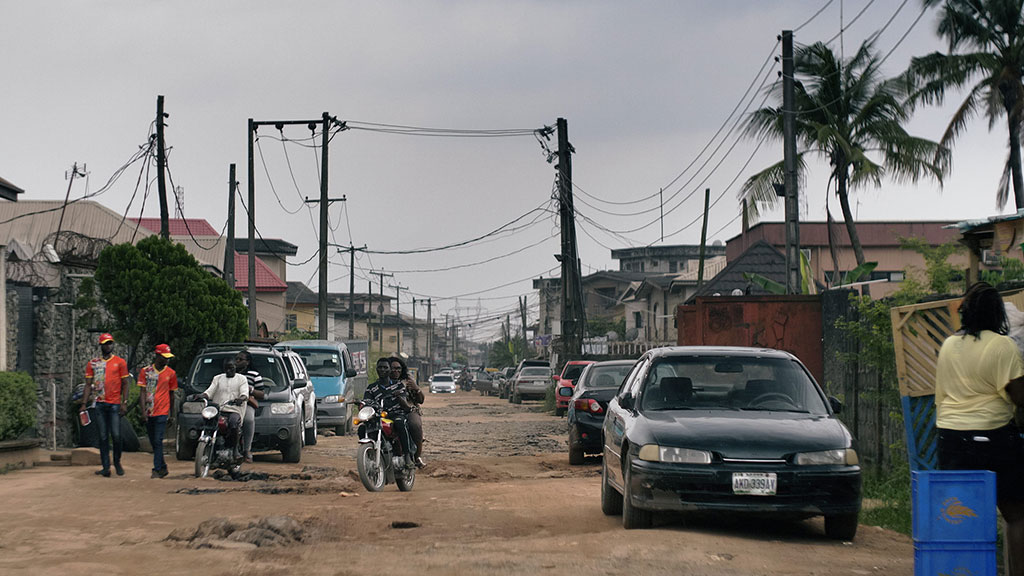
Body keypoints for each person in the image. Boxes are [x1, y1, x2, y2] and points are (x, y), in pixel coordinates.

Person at [936, 281, 1024, 576]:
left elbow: (942, 396)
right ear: (998, 314)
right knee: (1016, 513)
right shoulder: (1003, 345)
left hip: (951, 439)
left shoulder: (949, 345)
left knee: (957, 514)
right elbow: (1018, 395)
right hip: (993, 437)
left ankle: (958, 570)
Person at [81, 333, 132, 477]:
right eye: (105, 343)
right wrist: (84, 403)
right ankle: (105, 466)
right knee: (103, 436)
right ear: (101, 345)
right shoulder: (93, 364)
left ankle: (117, 461)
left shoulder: (120, 362)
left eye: (110, 343)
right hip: (99, 404)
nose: (108, 346)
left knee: (116, 435)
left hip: (114, 403)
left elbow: (125, 383)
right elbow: (88, 384)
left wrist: (124, 402)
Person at [364, 357, 415, 466]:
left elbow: (405, 404)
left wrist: (399, 397)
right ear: (376, 369)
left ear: (389, 370)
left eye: (385, 368)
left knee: (400, 423)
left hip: (396, 414)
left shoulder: (399, 385)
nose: (382, 370)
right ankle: (368, 454)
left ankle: (407, 455)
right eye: (380, 367)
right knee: (362, 428)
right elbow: (366, 401)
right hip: (379, 416)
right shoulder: (371, 388)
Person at [193, 358, 248, 459]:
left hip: (233, 410)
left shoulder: (242, 379)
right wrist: (201, 395)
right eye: (226, 369)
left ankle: (235, 450)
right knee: (200, 423)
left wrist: (240, 399)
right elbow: (210, 391)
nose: (228, 371)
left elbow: (245, 394)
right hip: (217, 411)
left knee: (233, 424)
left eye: (231, 368)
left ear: (235, 367)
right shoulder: (217, 378)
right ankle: (202, 448)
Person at [138, 343, 178, 479]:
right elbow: (142, 392)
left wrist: (171, 414)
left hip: (162, 411)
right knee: (153, 441)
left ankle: (156, 469)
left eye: (168, 358)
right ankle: (163, 467)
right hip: (150, 411)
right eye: (164, 357)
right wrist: (143, 411)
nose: (167, 360)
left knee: (158, 439)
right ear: (157, 355)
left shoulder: (171, 373)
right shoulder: (145, 372)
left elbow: (172, 395)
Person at [389, 356, 425, 467]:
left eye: (398, 368)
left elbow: (421, 400)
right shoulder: (383, 381)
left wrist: (416, 388)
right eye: (393, 368)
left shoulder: (407, 381)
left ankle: (416, 456)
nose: (396, 371)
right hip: (388, 410)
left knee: (414, 425)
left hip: (408, 409)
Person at [234, 350, 265, 463]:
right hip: (230, 404)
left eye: (240, 359)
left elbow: (262, 394)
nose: (237, 361)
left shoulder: (254, 375)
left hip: (246, 403)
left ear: (247, 362)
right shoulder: (230, 374)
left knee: (248, 420)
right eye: (236, 359)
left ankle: (247, 449)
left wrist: (250, 390)